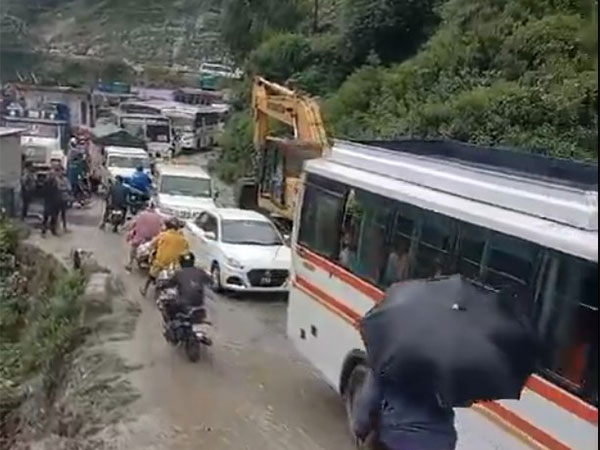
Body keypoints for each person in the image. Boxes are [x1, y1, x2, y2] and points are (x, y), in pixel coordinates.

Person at [352, 367, 457, 450]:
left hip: (398, 438)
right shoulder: (447, 362)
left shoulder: (385, 357)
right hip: (442, 441)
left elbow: (366, 409)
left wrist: (360, 430)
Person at [140, 218, 189, 296]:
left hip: (160, 262)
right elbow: (186, 251)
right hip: (173, 265)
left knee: (151, 275)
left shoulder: (163, 235)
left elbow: (152, 244)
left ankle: (145, 290)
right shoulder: (183, 239)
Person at [161, 252, 211, 321]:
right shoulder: (200, 271)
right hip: (199, 304)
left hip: (184, 304)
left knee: (168, 306)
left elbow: (169, 284)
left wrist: (163, 285)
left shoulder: (179, 273)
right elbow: (210, 281)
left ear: (181, 263)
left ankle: (171, 325)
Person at [124, 202, 163, 271]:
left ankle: (130, 263)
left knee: (133, 247)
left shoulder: (141, 214)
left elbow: (133, 223)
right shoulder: (159, 217)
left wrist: (129, 229)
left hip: (140, 238)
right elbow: (161, 227)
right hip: (152, 239)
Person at [41, 168, 61, 236]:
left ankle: (51, 230)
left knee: (52, 217)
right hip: (50, 201)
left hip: (53, 201)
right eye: (51, 174)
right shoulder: (49, 182)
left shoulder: (54, 182)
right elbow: (45, 192)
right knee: (48, 216)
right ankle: (45, 230)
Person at [55, 166, 72, 232]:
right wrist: (64, 188)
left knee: (63, 214)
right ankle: (56, 228)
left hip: (64, 199)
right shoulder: (56, 179)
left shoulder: (65, 179)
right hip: (57, 199)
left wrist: (62, 188)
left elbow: (69, 188)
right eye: (59, 171)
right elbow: (57, 188)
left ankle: (64, 227)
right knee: (56, 214)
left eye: (62, 171)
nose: (61, 173)